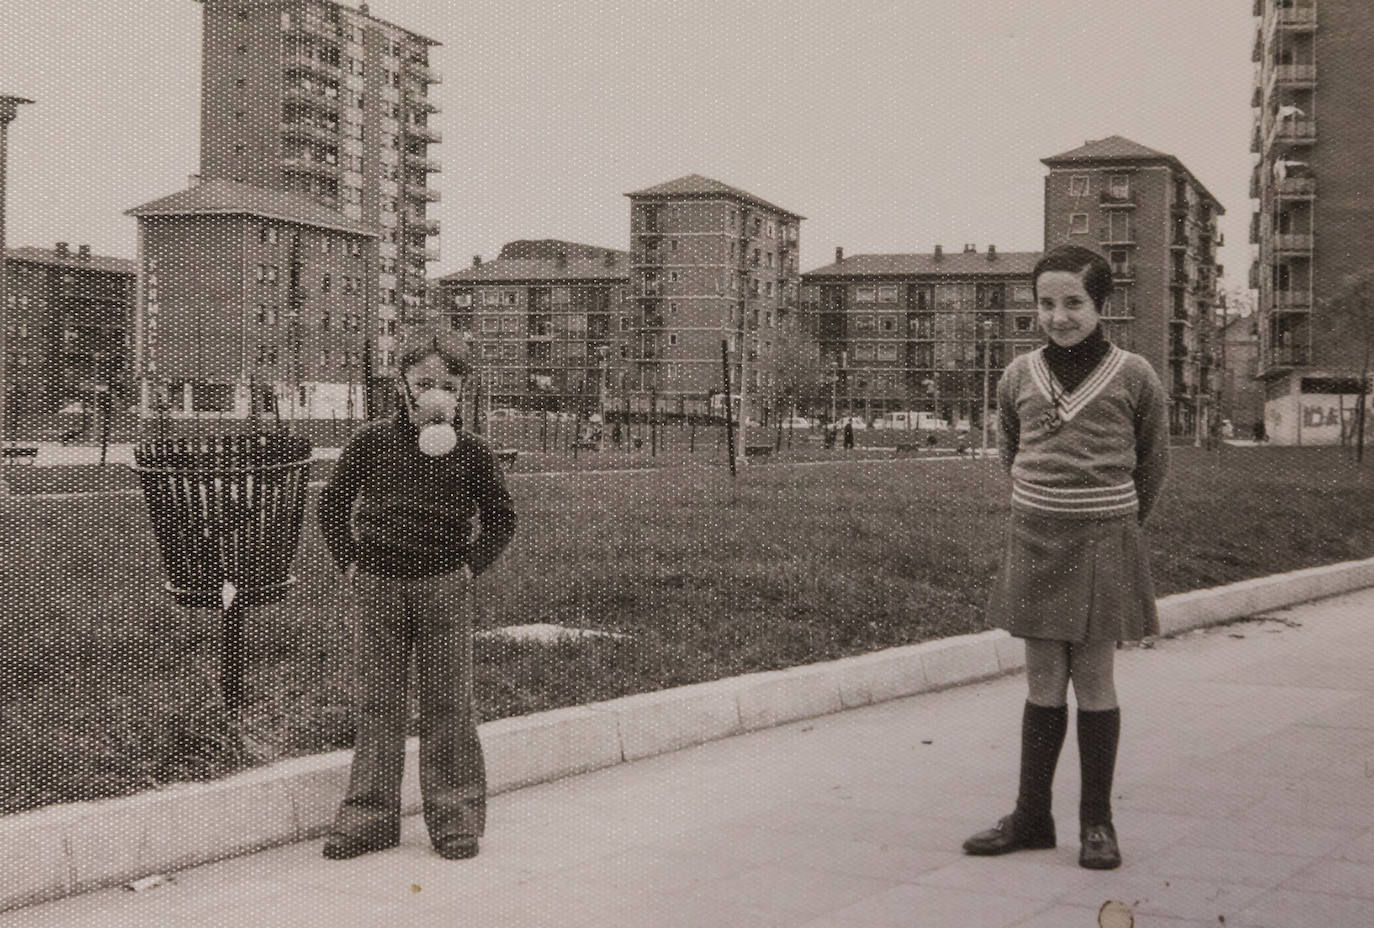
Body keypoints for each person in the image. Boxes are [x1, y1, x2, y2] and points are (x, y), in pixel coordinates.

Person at [963, 244, 1169, 871]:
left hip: (1105, 536)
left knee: (1095, 680)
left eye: (1073, 302)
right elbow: (1011, 450)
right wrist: (1040, 501)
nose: (1059, 316)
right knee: (1043, 681)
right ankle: (1031, 816)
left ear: (1102, 304)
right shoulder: (1018, 375)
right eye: (1046, 303)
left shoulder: (1135, 374)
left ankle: (1097, 824)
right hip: (1035, 536)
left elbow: (1152, 463)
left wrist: (1118, 522)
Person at [317, 332, 516, 861]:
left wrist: (469, 569)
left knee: (449, 703)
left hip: (444, 587)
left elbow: (502, 517)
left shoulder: (473, 452)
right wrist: (352, 564)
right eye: (424, 383)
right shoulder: (371, 441)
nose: (436, 396)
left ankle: (455, 816)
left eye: (448, 386)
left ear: (463, 393)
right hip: (378, 586)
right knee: (378, 703)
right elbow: (332, 504)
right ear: (402, 386)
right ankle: (369, 817)